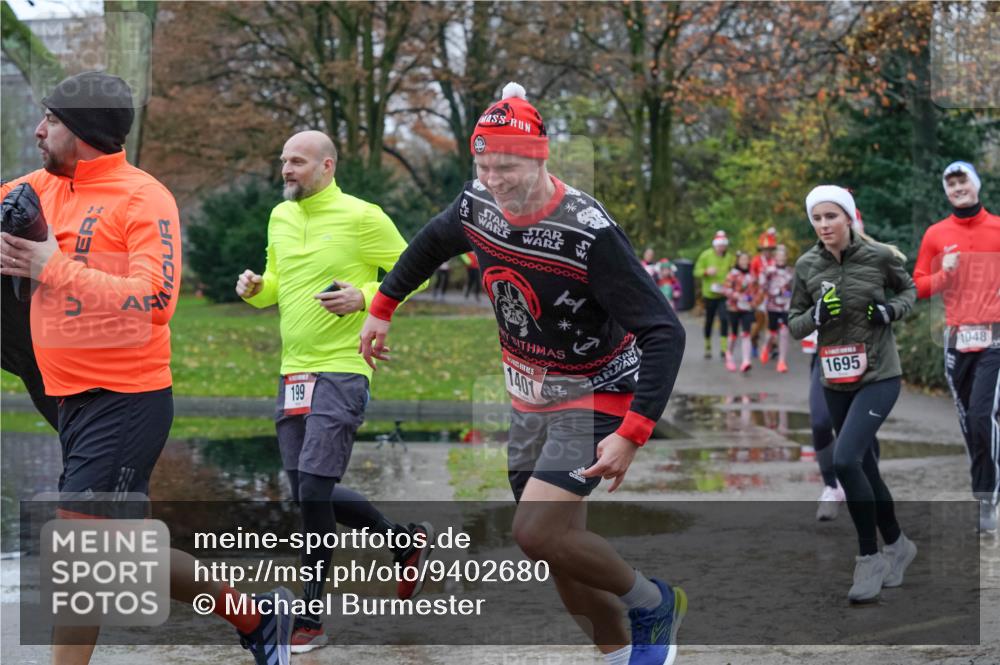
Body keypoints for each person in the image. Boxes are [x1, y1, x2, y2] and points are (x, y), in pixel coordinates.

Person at [359, 82, 688, 665]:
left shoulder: (590, 233)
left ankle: (653, 599)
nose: (494, 180)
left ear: (541, 157)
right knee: (555, 549)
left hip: (597, 392)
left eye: (507, 167)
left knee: (535, 532)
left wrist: (632, 432)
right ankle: (617, 654)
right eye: (483, 165)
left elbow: (665, 330)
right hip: (529, 399)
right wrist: (382, 308)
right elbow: (430, 245)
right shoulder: (477, 203)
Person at [0, 71, 293, 665]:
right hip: (63, 395)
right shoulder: (37, 187)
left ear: (80, 130)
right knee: (122, 552)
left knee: (78, 548)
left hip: (125, 398)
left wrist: (52, 264)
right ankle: (258, 617)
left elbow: (156, 301)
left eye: (51, 120)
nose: (38, 130)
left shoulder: (142, 197)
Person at [236, 130, 435, 653]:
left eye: (297, 161)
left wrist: (367, 294)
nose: (286, 170)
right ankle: (404, 541)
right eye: (283, 160)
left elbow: (418, 274)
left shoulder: (363, 216)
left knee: (315, 494)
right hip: (293, 371)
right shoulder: (281, 217)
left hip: (345, 368)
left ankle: (310, 617)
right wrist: (259, 289)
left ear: (327, 165)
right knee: (308, 489)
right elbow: (279, 282)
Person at [789, 185, 918, 603]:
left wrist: (889, 311)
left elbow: (909, 292)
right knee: (866, 467)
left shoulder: (880, 257)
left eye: (831, 216)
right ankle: (898, 544)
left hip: (880, 376)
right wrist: (815, 316)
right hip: (834, 378)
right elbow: (793, 323)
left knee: (845, 459)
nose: (824, 225)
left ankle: (869, 558)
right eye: (817, 218)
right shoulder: (807, 264)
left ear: (848, 218)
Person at [913, 162, 1000, 533]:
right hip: (956, 338)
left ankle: (986, 498)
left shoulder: (998, 228)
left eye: (962, 180)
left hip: (995, 337)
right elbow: (918, 286)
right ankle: (985, 482)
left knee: (983, 415)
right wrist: (943, 272)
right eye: (950, 183)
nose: (957, 187)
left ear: (975, 185)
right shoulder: (936, 234)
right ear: (945, 192)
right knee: (969, 423)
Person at [695, 230, 735, 360]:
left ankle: (724, 349)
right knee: (709, 320)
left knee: (724, 319)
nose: (721, 248)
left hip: (723, 294)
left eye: (723, 245)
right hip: (709, 294)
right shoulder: (706, 255)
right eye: (719, 245)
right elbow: (696, 272)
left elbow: (733, 271)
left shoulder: (729, 257)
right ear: (714, 245)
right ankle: (707, 345)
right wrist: (706, 271)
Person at [758, 245, 794, 373]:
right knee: (772, 332)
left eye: (783, 256)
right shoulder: (768, 270)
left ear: (786, 258)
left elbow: (795, 288)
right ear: (775, 257)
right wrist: (776, 291)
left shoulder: (791, 271)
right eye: (778, 256)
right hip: (772, 305)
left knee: (784, 331)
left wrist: (790, 294)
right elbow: (762, 286)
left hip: (786, 306)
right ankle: (766, 347)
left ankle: (781, 361)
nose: (781, 258)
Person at [723, 251, 757, 373]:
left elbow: (754, 291)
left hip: (746, 308)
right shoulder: (732, 274)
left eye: (746, 259)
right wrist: (736, 295)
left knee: (746, 333)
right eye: (742, 259)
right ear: (738, 261)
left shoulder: (751, 275)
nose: (744, 262)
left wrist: (752, 300)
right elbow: (726, 289)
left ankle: (746, 361)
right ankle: (729, 355)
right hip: (733, 308)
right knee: (733, 334)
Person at [750, 228, 778, 359]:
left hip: (773, 296)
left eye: (769, 249)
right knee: (759, 322)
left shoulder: (775, 260)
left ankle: (771, 347)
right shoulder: (756, 261)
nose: (767, 251)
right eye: (765, 249)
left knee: (771, 321)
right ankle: (753, 341)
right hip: (760, 296)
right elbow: (751, 279)